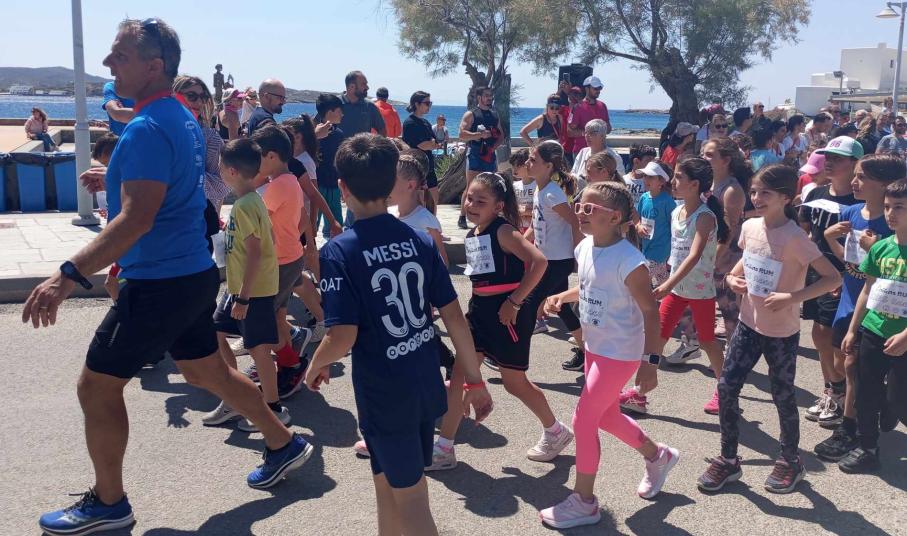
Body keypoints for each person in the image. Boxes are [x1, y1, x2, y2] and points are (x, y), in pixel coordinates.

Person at [28, 19, 313, 536]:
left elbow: (136, 218)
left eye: (120, 56)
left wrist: (67, 275)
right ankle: (284, 442)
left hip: (159, 281)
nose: (108, 64)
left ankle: (109, 504)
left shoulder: (146, 127)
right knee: (209, 374)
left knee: (95, 387)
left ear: (154, 66)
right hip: (191, 271)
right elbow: (170, 186)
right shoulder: (179, 117)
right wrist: (115, 177)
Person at [304, 134, 492, 536]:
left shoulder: (339, 252)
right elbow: (454, 317)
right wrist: (474, 379)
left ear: (342, 187)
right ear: (392, 183)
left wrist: (316, 364)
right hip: (423, 379)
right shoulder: (419, 240)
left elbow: (342, 335)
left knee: (411, 498)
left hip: (385, 393)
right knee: (387, 484)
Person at [539, 182, 679, 529]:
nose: (581, 212)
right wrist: (563, 297)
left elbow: (651, 312)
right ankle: (658, 456)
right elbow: (592, 286)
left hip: (620, 353)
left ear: (615, 217)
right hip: (595, 347)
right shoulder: (585, 247)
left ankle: (584, 502)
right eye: (579, 206)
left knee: (584, 419)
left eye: (590, 208)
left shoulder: (631, 262)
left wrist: (650, 362)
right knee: (606, 417)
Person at [698, 164, 840, 494]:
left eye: (765, 193)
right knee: (727, 387)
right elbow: (746, 260)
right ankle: (728, 459)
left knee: (783, 395)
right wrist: (732, 277)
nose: (756, 197)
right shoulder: (750, 226)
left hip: (781, 333)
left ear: (786, 198)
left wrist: (793, 297)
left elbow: (832, 278)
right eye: (754, 191)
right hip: (748, 324)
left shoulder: (795, 237)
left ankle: (791, 460)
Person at [432, 172, 571, 471]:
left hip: (507, 314)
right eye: (469, 198)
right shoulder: (473, 234)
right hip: (479, 312)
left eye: (480, 201)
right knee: (460, 374)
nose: (471, 205)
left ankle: (556, 431)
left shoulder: (503, 231)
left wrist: (515, 302)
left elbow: (539, 262)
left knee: (514, 383)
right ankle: (444, 448)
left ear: (497, 206)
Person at [814, 154, 904, 463]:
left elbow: (887, 269)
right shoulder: (852, 212)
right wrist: (831, 240)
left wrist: (872, 248)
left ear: (885, 184)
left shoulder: (894, 224)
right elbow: (855, 265)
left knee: (855, 367)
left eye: (862, 176)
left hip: (882, 310)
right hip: (852, 299)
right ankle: (873, 408)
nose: (854, 182)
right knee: (845, 362)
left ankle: (851, 428)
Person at [630, 157, 729, 415]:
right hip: (676, 289)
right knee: (657, 338)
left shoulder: (704, 217)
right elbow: (673, 250)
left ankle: (725, 391)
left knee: (707, 342)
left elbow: (694, 256)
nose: (672, 182)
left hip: (699, 291)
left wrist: (667, 283)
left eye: (678, 177)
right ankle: (639, 393)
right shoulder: (676, 212)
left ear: (694, 184)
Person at [202, 138, 287, 428]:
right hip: (239, 290)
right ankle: (235, 397)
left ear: (232, 171)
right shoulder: (252, 201)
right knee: (216, 333)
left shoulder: (244, 206)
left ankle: (274, 408)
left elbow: (256, 253)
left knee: (258, 350)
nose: (219, 172)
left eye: (220, 167)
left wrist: (243, 298)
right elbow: (269, 239)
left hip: (251, 293)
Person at [840, 178, 907, 473]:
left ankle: (891, 407)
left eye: (899, 207)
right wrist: (853, 329)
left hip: (903, 338)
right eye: (888, 207)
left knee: (899, 398)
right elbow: (868, 290)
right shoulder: (880, 248)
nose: (891, 214)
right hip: (874, 330)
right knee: (866, 391)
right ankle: (867, 448)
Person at [799, 136, 863, 429]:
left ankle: (844, 396)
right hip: (815, 272)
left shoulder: (860, 200)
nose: (830, 162)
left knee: (835, 338)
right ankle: (832, 389)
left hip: (845, 275)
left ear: (855, 163)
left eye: (838, 158)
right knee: (818, 334)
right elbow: (805, 230)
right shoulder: (816, 193)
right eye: (828, 157)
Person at [249, 125, 316, 401]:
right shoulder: (289, 181)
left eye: (257, 157)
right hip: (289, 256)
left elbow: (256, 221)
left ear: (272, 156)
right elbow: (299, 220)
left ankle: (290, 363)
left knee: (265, 320)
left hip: (279, 262)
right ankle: (291, 346)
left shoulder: (277, 186)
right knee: (277, 315)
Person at [523, 141, 585, 368]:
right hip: (548, 260)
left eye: (533, 160)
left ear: (548, 166)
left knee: (529, 305)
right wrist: (518, 245)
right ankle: (586, 352)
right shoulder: (540, 190)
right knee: (563, 308)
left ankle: (510, 355)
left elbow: (575, 222)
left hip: (558, 262)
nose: (527, 163)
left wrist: (579, 255)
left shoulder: (552, 194)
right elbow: (534, 225)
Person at [173, 75, 231, 212]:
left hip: (194, 213)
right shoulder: (158, 131)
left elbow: (221, 184)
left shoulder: (210, 138)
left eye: (203, 97)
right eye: (192, 96)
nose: (199, 102)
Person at [283, 115, 344, 239]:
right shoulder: (290, 158)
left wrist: (312, 223)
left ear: (298, 137)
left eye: (285, 136)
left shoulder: (305, 161)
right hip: (292, 216)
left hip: (302, 219)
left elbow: (314, 194)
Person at [389, 150, 447, 265]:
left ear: (410, 185)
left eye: (392, 180)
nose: (386, 185)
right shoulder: (388, 215)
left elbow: (443, 263)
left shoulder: (427, 221)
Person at [458, 86, 504, 229]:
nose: (490, 98)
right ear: (479, 97)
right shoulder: (471, 114)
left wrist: (493, 148)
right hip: (475, 153)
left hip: (489, 154)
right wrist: (479, 135)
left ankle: (489, 216)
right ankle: (462, 216)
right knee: (471, 186)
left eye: (491, 95)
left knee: (491, 186)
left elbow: (501, 135)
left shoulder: (494, 114)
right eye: (486, 95)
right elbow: (462, 134)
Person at [635, 161, 675, 289]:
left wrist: (672, 251)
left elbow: (674, 225)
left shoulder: (667, 201)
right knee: (662, 281)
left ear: (661, 181)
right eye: (645, 176)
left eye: (651, 177)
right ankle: (668, 295)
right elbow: (637, 218)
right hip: (646, 247)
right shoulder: (644, 198)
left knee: (641, 280)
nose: (646, 179)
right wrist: (638, 226)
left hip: (660, 249)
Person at [402, 91, 442, 208]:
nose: (429, 106)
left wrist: (432, 143)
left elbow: (435, 141)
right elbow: (423, 145)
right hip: (416, 167)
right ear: (417, 104)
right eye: (427, 103)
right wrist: (431, 144)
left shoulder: (426, 122)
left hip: (429, 165)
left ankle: (432, 219)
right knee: (419, 202)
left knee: (434, 200)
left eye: (430, 103)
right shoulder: (410, 123)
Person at [314, 93, 345, 238]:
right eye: (339, 111)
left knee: (337, 226)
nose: (342, 114)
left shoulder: (339, 134)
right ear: (329, 112)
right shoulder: (311, 132)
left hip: (333, 186)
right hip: (315, 186)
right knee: (312, 225)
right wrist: (314, 137)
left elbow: (340, 161)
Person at [568, 75, 612, 160]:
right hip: (581, 153)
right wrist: (589, 133)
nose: (598, 91)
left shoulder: (603, 106)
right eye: (595, 88)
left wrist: (602, 129)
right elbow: (570, 132)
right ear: (587, 89)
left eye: (600, 88)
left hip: (600, 152)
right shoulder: (577, 107)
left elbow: (609, 129)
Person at [339, 70, 386, 137]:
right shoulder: (334, 104)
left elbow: (382, 130)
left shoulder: (369, 106)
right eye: (363, 84)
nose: (367, 87)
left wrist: (376, 143)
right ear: (352, 86)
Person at [509, 148, 535, 232]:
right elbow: (512, 208)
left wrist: (526, 211)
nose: (514, 169)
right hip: (518, 226)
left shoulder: (538, 185)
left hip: (534, 227)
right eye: (513, 165)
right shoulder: (514, 186)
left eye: (519, 165)